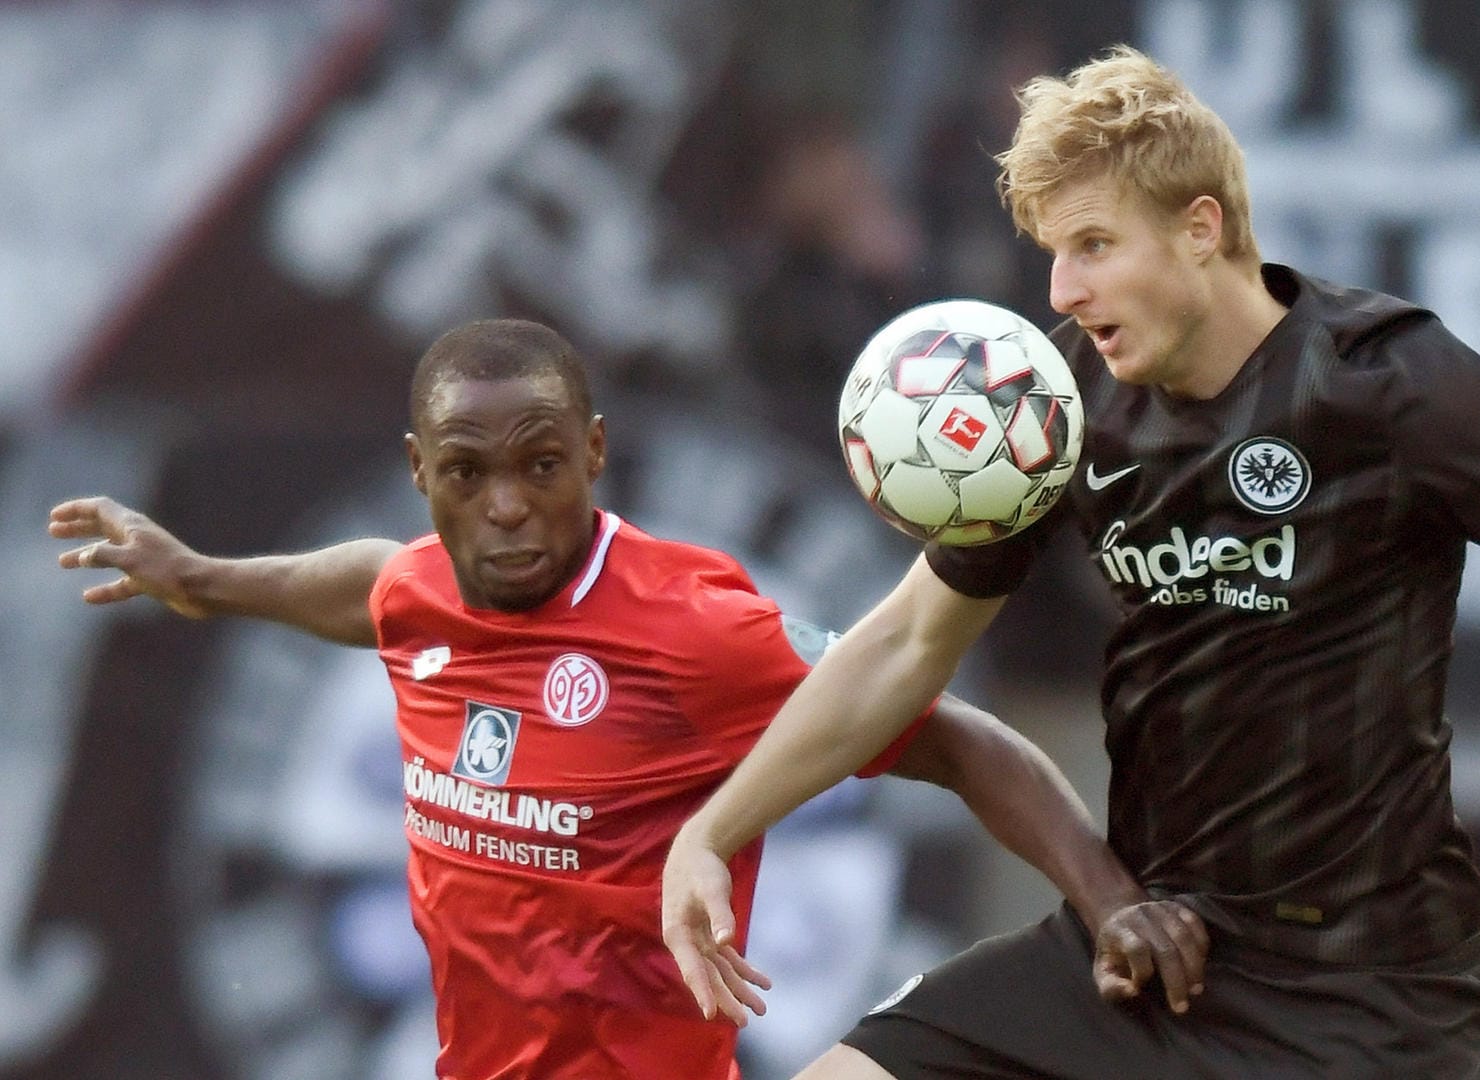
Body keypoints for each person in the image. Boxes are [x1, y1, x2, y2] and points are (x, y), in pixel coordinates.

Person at [660, 46, 1480, 1079]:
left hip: (1372, 997)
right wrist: (717, 830)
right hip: (1158, 954)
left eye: (1092, 244)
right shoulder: (1060, 403)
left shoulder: (1398, 383)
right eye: (1049, 251)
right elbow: (907, 643)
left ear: (1203, 229)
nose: (1062, 288)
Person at [48, 318, 1208, 1080]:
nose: (507, 505)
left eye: (539, 465)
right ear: (420, 472)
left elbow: (956, 740)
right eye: (467, 473)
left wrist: (1109, 901)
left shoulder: (696, 630)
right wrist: (198, 576)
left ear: (594, 452)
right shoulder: (423, 587)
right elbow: (359, 584)